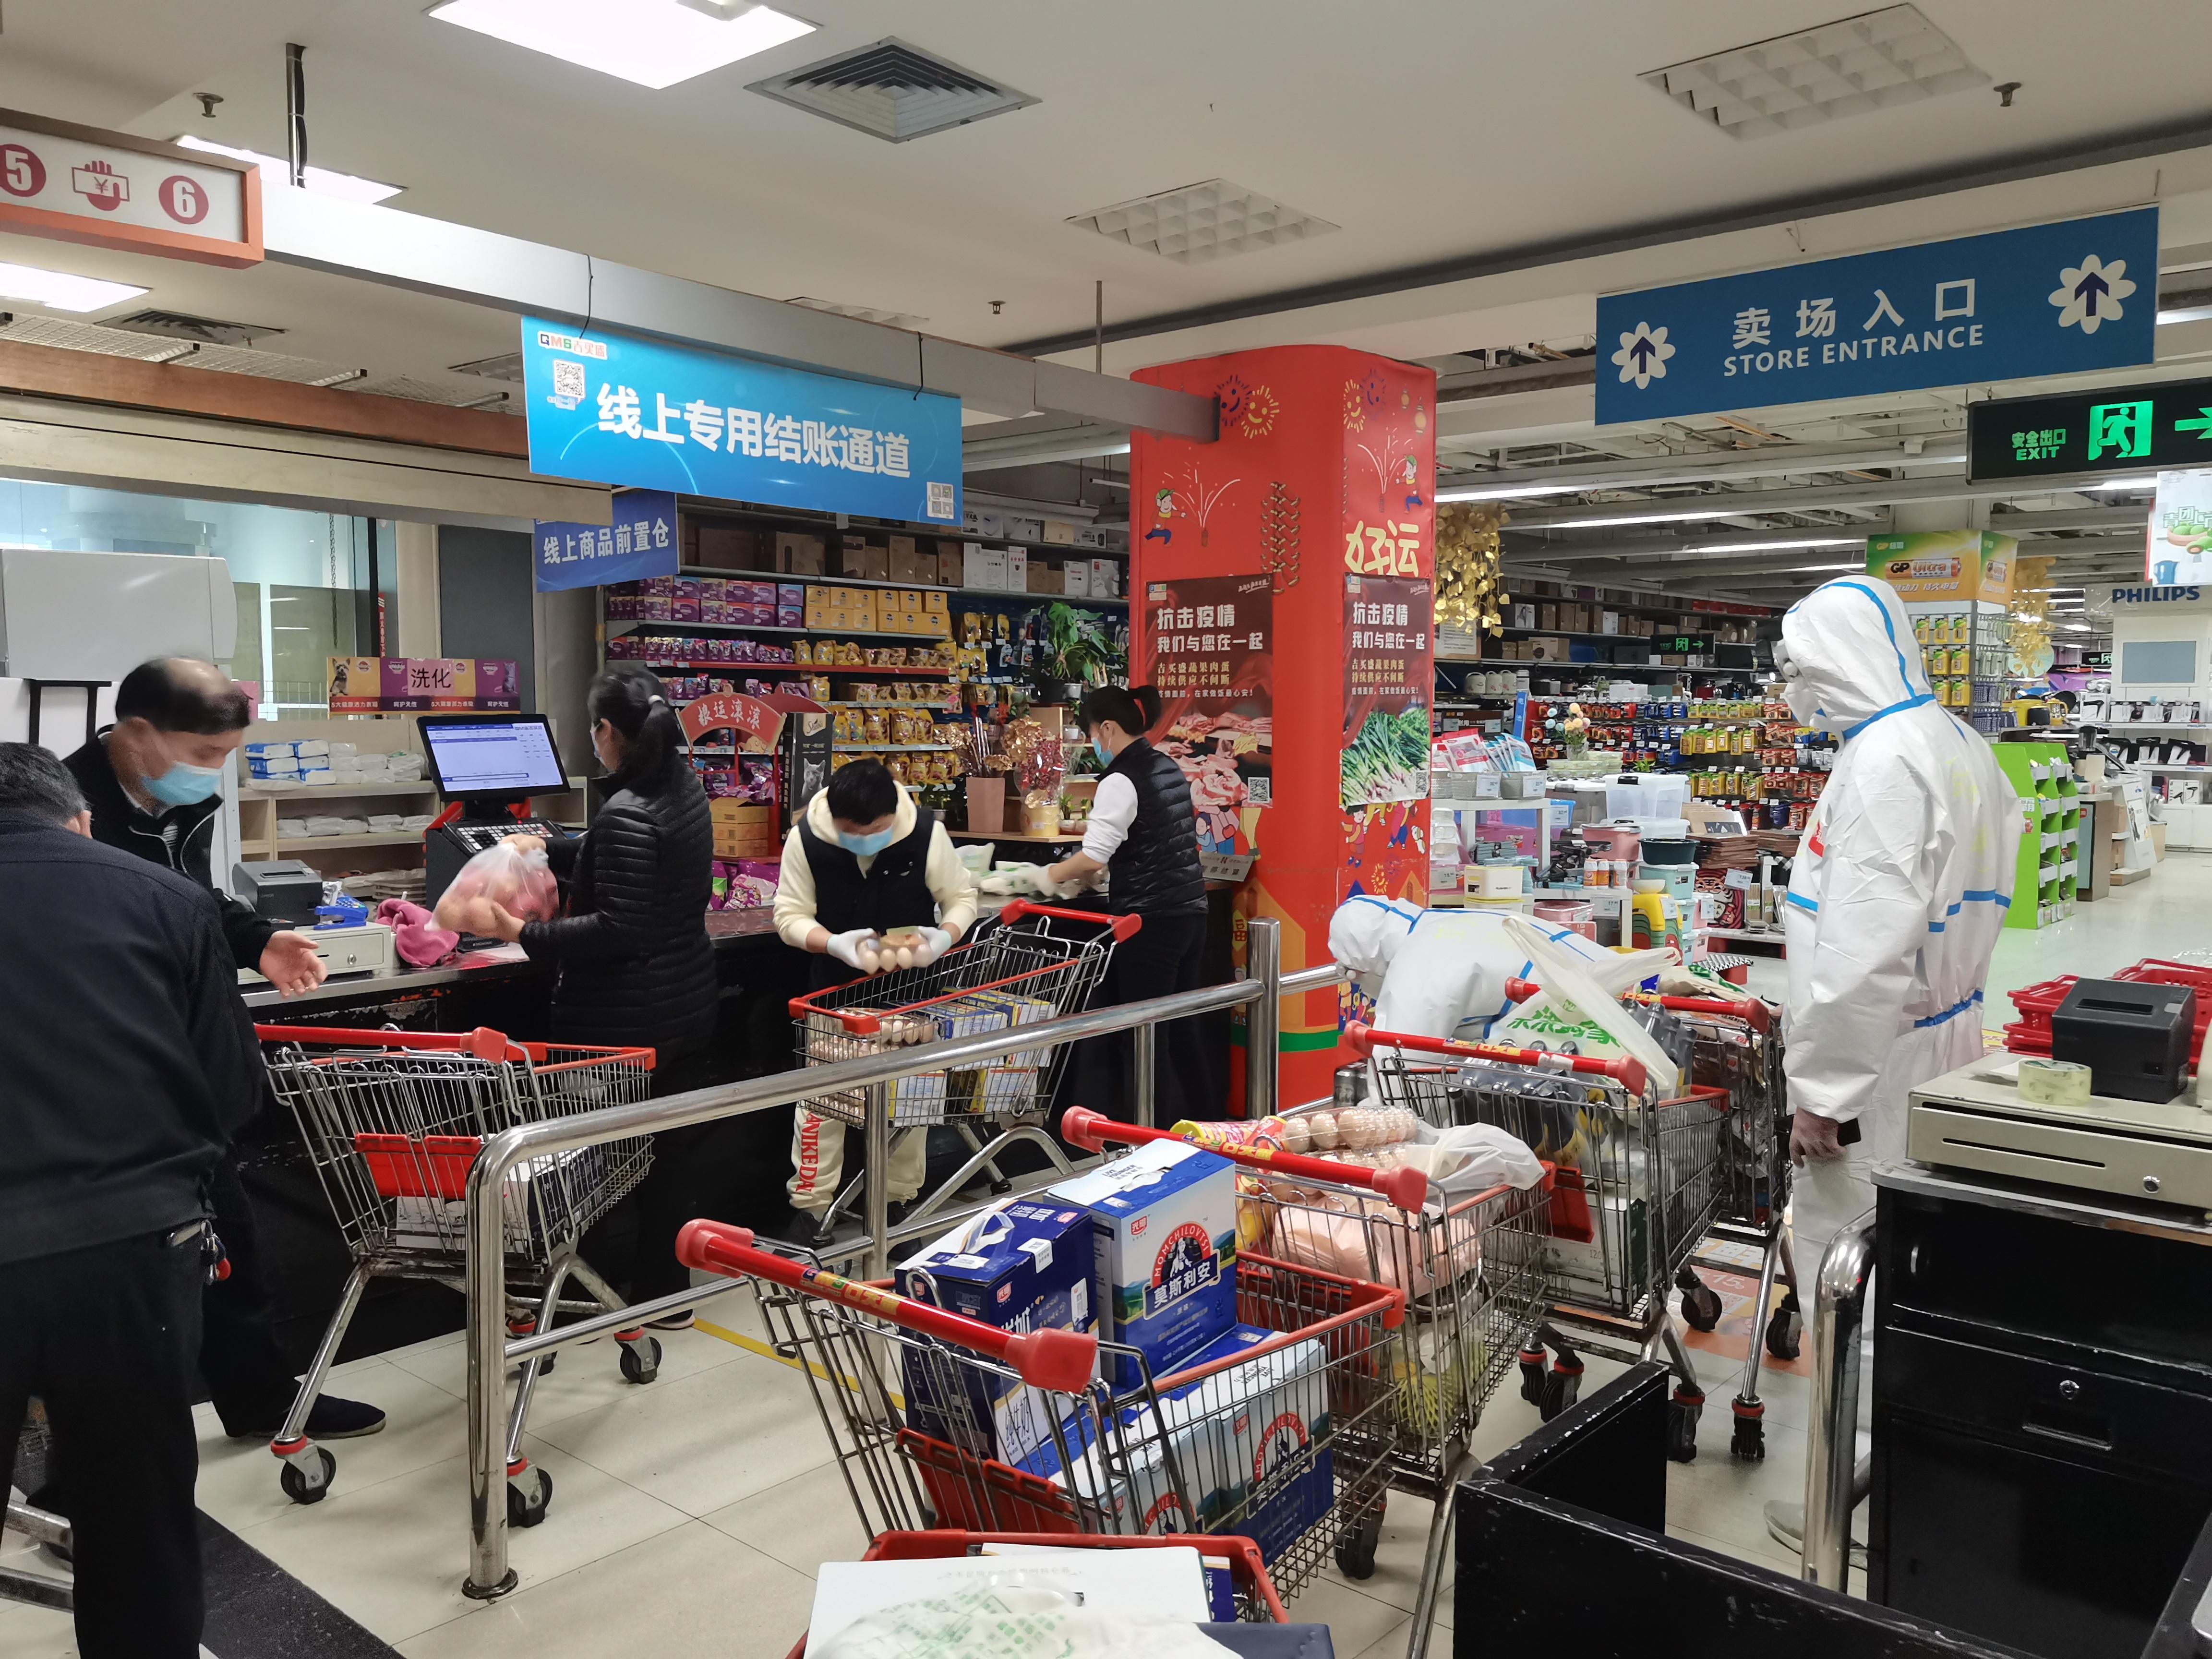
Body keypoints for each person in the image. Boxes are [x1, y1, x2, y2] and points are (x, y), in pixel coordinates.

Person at [63, 656, 384, 1443]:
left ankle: (260, 1399)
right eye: (205, 753)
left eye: (227, 755)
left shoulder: (180, 799)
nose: (214, 772)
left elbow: (192, 898)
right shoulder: (66, 806)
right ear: (139, 733)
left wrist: (258, 939)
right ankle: (108, 1448)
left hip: (188, 1059)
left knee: (230, 1237)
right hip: (106, 1071)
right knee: (125, 1269)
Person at [1764, 575, 2021, 1550]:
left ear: (1836, 659)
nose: (1794, 689)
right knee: (1918, 1265)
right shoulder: (1955, 741)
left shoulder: (1879, 761)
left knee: (1853, 1281)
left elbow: (1859, 953)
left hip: (1879, 1062)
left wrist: (1821, 1096)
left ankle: (1857, 1510)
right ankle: (1914, 1485)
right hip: (1944, 1038)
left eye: (1799, 666)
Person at [0, 743, 264, 1658]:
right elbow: (232, 1092)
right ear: (79, 819)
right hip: (135, 1249)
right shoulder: (168, 899)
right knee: (137, 1523)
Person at [452, 667, 721, 1318]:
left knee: (590, 1166)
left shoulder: (628, 811)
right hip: (683, 1004)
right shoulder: (682, 788)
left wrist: (520, 931)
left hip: (621, 1020)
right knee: (667, 1160)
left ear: (605, 731)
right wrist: (552, 849)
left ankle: (582, 1296)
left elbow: (618, 929)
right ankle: (665, 1296)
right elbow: (630, 866)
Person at [773, 757, 975, 1232]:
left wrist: (943, 937)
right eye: (852, 833)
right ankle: (810, 1207)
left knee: (910, 1097)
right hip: (834, 990)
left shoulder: (925, 832)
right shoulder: (806, 839)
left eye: (878, 831)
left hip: (911, 990)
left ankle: (894, 1201)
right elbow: (788, 915)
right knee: (823, 1102)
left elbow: (962, 899)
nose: (865, 841)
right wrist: (833, 943)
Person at [1040, 684, 1214, 1123]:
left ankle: (1151, 1135)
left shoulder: (1120, 779)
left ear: (1108, 728)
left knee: (1145, 1033)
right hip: (1190, 911)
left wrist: (1047, 876)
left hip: (1148, 921)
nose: (1093, 743)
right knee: (1183, 1028)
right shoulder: (1166, 765)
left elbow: (1094, 855)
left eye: (1091, 733)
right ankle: (1206, 1124)